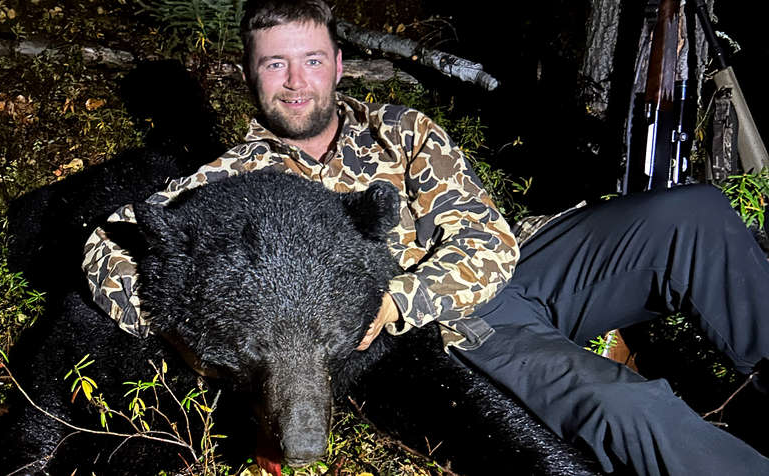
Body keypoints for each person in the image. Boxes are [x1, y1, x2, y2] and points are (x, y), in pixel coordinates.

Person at [82, 0, 769, 474]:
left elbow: (486, 238)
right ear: (248, 76)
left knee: (695, 215)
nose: (296, 82)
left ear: (339, 64)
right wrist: (186, 322)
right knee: (626, 406)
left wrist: (397, 298)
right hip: (460, 328)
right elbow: (109, 246)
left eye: (311, 60)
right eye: (274, 65)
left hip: (506, 264)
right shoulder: (236, 177)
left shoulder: (400, 128)